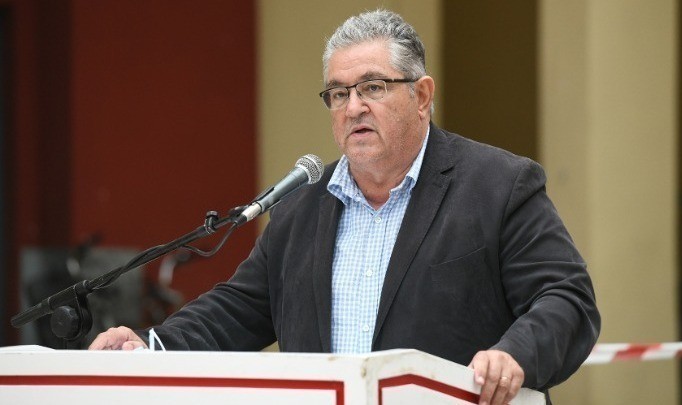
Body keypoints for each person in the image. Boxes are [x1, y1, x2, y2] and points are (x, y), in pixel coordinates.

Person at [90, 9, 600, 405]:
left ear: (422, 96)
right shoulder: (301, 207)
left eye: (373, 87)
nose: (353, 107)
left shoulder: (498, 185)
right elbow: (236, 310)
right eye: (338, 93)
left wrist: (514, 354)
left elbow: (567, 299)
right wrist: (149, 347)